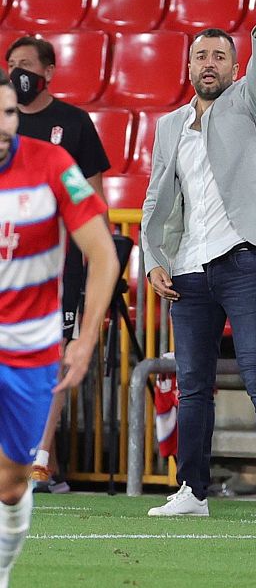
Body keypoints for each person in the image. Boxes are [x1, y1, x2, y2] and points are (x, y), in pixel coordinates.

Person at [142, 0, 256, 521]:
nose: (209, 63)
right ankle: (192, 491)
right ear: (188, 68)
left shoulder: (252, 104)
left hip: (248, 259)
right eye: (200, 56)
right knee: (192, 388)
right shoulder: (169, 126)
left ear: (233, 68)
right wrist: (153, 261)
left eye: (218, 56)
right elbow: (156, 202)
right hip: (188, 269)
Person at [0, 71, 119, 587]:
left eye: (9, 113)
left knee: (10, 483)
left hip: (31, 348)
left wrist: (85, 338)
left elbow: (103, 255)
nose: (3, 124)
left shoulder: (51, 164)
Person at [5, 36, 111, 492]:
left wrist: (87, 333)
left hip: (55, 269)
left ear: (48, 71)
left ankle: (39, 458)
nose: (18, 73)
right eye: (11, 65)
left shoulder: (69, 128)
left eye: (26, 65)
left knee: (47, 364)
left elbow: (96, 205)